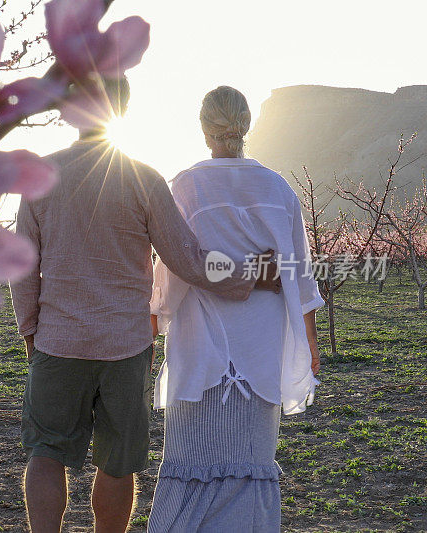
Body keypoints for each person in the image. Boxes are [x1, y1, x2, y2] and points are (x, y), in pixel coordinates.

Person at [9, 77, 281, 533]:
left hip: (58, 343)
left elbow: (20, 268)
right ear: (123, 109)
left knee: (46, 453)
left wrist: (31, 332)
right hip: (125, 348)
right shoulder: (145, 180)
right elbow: (190, 262)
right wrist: (251, 276)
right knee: (118, 462)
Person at [147, 86, 323, 533]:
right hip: (259, 346)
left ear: (205, 129)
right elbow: (298, 275)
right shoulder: (277, 188)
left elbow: (170, 273)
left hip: (199, 347)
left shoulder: (185, 186)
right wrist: (310, 341)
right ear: (246, 126)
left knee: (190, 461)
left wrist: (154, 319)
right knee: (251, 463)